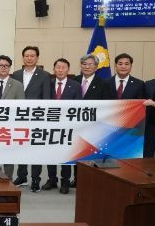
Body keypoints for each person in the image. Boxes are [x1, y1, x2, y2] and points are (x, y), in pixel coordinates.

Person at [11, 46, 51, 192]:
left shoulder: (45, 75)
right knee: (21, 148)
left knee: (35, 150)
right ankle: (22, 176)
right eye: (26, 56)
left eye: (32, 56)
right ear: (23, 57)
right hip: (20, 118)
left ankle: (35, 179)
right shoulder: (16, 74)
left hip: (36, 118)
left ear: (37, 58)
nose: (29, 58)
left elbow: (46, 98)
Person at [44, 58, 82, 195]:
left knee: (66, 154)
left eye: (63, 67)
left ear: (68, 69)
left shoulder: (76, 85)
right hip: (50, 124)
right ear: (53, 69)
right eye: (58, 67)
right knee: (51, 154)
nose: (60, 70)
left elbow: (79, 105)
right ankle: (52, 179)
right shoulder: (48, 83)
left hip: (68, 126)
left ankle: (65, 181)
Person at [71, 53, 107, 188]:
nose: (87, 67)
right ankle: (77, 179)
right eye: (84, 64)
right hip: (77, 125)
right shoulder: (74, 80)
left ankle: (93, 179)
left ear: (96, 67)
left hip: (95, 125)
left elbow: (107, 105)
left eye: (90, 64)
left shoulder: (103, 83)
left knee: (93, 153)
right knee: (77, 152)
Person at [0, 55, 25, 178]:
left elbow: (21, 107)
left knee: (8, 155)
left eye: (6, 65)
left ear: (10, 68)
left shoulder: (18, 85)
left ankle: (8, 180)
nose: (3, 68)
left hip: (9, 126)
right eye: (1, 65)